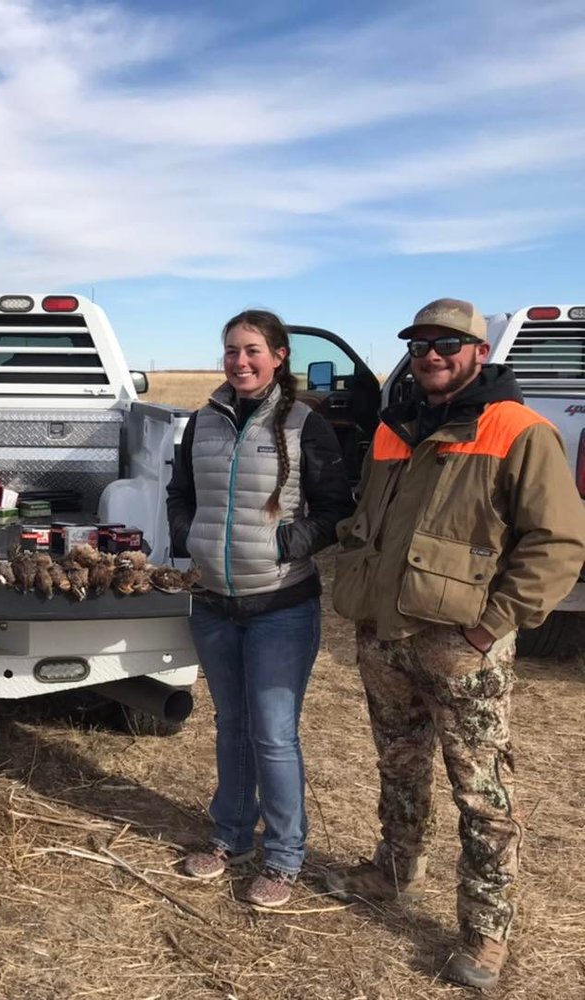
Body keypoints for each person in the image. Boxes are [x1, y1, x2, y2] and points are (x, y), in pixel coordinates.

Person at [325, 298, 585, 990]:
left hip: (461, 646)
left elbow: (555, 545)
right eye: (419, 345)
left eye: (446, 344)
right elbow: (364, 520)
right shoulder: (392, 426)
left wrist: (488, 626)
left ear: (477, 352)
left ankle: (485, 931)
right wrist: (354, 577)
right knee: (398, 765)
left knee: (481, 793)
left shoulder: (519, 431)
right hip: (384, 637)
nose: (431, 355)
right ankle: (391, 869)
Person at [167, 309, 354, 908]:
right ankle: (229, 838)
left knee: (273, 735)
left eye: (252, 350)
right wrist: (189, 539)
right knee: (232, 727)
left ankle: (283, 856)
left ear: (278, 357)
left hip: (281, 605)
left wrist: (283, 545)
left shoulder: (306, 426)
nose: (239, 361)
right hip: (213, 602)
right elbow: (181, 495)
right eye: (230, 351)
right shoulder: (203, 422)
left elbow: (335, 510)